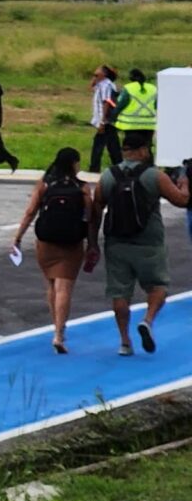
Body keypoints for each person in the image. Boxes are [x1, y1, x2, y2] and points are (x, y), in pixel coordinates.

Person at [90, 130, 190, 356]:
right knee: (158, 286)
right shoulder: (154, 176)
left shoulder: (108, 176)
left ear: (124, 150)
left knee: (119, 293)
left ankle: (124, 342)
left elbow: (96, 208)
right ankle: (147, 319)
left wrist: (93, 242)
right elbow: (181, 201)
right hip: (149, 242)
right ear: (143, 150)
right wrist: (184, 184)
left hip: (116, 242)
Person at [10, 148, 92, 354]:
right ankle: (59, 333)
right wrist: (92, 243)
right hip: (72, 243)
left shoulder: (45, 185)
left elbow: (30, 212)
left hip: (46, 242)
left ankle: (56, 325)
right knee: (64, 288)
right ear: (74, 164)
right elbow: (90, 218)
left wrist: (18, 236)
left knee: (52, 285)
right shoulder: (82, 188)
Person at [88, 66, 124, 173]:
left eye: (98, 70)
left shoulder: (106, 85)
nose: (95, 71)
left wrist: (102, 121)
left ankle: (94, 168)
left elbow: (106, 102)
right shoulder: (101, 84)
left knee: (99, 145)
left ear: (104, 74)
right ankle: (119, 166)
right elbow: (91, 86)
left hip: (105, 120)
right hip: (105, 121)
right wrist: (95, 77)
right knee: (113, 145)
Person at [113, 69, 160, 141]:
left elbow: (120, 105)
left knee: (133, 148)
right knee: (146, 147)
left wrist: (112, 117)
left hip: (131, 125)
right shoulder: (153, 88)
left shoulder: (128, 88)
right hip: (149, 125)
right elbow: (157, 105)